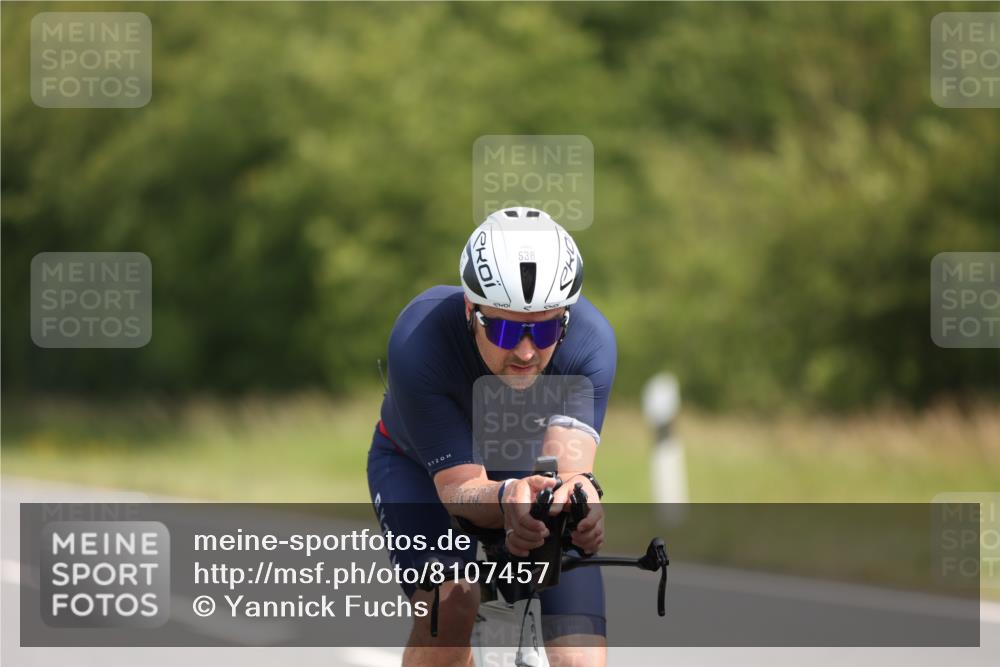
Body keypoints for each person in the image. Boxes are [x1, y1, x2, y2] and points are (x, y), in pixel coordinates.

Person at [367, 207, 617, 667]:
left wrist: (580, 498)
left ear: (566, 317)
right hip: (421, 471)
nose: (525, 351)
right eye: (502, 328)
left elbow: (570, 469)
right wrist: (507, 497)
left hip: (525, 477)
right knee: (453, 600)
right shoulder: (420, 337)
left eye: (544, 329)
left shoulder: (590, 343)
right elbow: (458, 488)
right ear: (470, 308)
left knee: (580, 659)